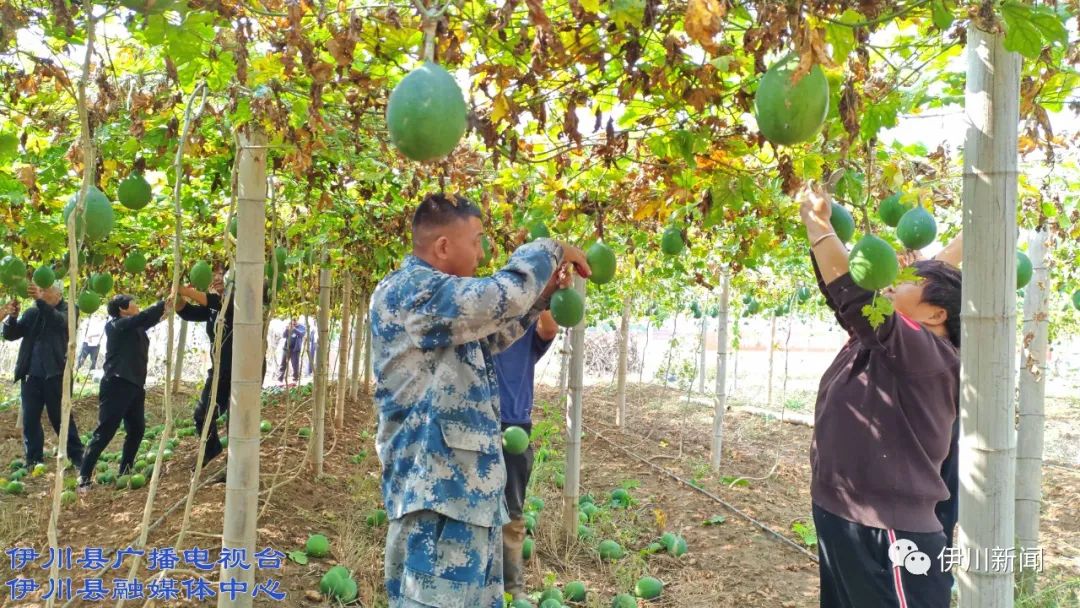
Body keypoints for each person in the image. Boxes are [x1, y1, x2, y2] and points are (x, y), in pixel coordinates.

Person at [371, 192, 589, 607]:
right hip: (436, 502)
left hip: (465, 500)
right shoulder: (411, 290)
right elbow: (495, 297)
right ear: (443, 247)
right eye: (476, 240)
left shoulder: (441, 309)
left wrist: (539, 298)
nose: (482, 250)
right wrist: (550, 249)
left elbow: (492, 335)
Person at [799, 183, 962, 608]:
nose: (895, 281)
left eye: (911, 281)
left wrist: (819, 228)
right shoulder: (880, 342)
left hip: (890, 535)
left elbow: (856, 297)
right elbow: (844, 299)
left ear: (936, 314)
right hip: (842, 516)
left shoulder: (930, 355)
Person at [494, 309, 559, 600]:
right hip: (475, 423)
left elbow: (550, 329)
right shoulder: (480, 322)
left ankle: (513, 589)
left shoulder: (527, 328)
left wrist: (541, 295)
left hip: (515, 427)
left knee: (512, 510)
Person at [77, 293, 172, 490]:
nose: (137, 304)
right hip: (117, 384)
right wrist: (162, 302)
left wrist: (166, 307)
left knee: (137, 429)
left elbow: (149, 319)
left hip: (135, 385)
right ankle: (83, 477)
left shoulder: (134, 327)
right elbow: (142, 318)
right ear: (122, 309)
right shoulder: (115, 325)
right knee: (105, 432)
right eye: (133, 302)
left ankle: (125, 471)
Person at [1, 283, 84, 468]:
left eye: (45, 290)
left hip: (56, 375)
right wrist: (12, 318)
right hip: (31, 375)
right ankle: (33, 459)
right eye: (40, 290)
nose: (41, 293)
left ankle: (77, 456)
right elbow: (11, 335)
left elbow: (58, 322)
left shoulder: (69, 310)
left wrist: (39, 301)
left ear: (58, 293)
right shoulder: (32, 313)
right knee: (30, 420)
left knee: (60, 418)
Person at [278, 319, 305, 383]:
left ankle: (295, 379)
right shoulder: (289, 326)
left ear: (297, 321)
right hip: (287, 348)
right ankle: (280, 378)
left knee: (295, 365)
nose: (293, 322)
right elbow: (284, 336)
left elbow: (301, 334)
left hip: (295, 349)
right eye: (292, 321)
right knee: (283, 364)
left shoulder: (302, 327)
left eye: (294, 321)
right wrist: (287, 329)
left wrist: (294, 329)